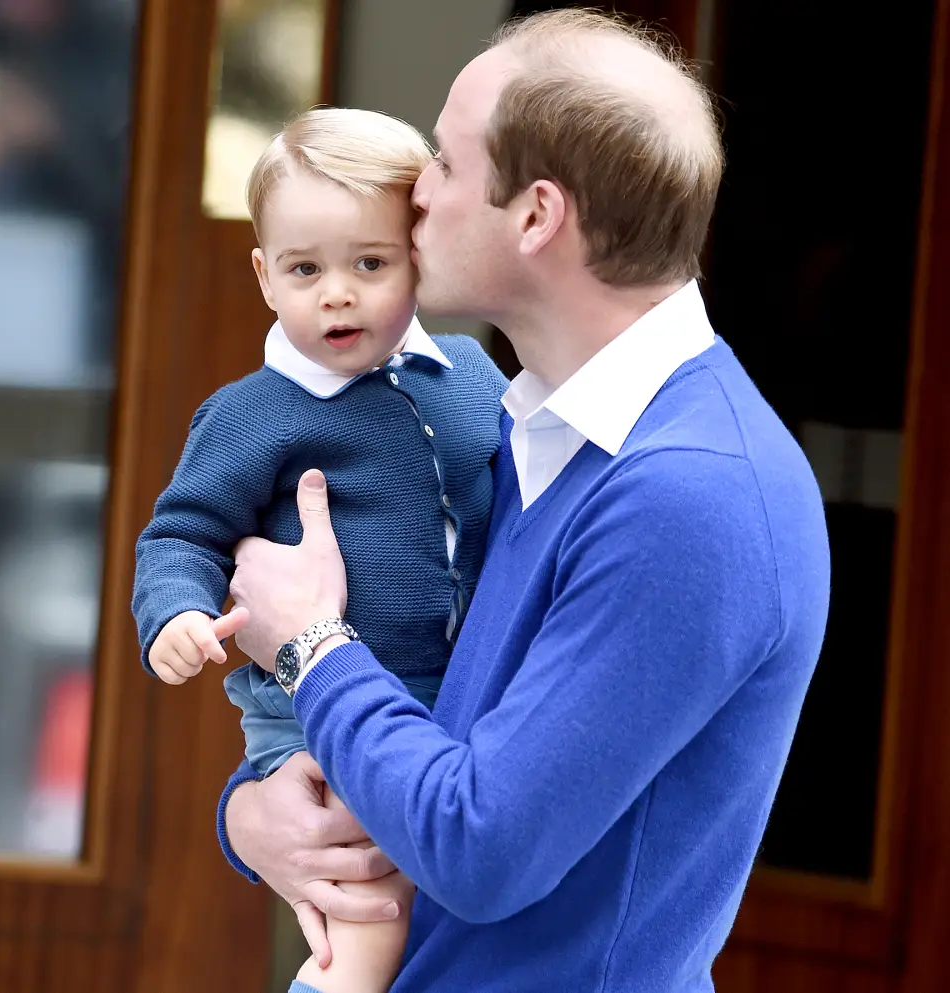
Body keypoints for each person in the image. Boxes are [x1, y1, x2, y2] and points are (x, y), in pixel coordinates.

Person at [220, 10, 831, 993]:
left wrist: (308, 647)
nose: (414, 190)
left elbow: (480, 845)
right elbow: (415, 728)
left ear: (537, 215)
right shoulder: (524, 432)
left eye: (448, 165)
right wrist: (256, 812)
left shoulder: (694, 496)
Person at [131, 108, 507, 993]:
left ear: (419, 253)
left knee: (435, 903)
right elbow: (182, 531)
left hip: (453, 696)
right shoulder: (252, 414)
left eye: (369, 264)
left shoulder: (472, 377)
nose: (336, 292)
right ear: (265, 277)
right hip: (312, 710)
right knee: (369, 919)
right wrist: (178, 613)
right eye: (305, 269)